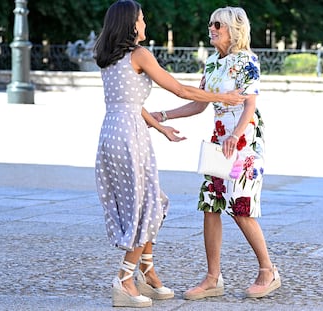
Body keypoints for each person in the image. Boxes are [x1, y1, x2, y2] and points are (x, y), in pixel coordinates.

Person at [93, 1, 247, 308]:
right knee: (147, 205)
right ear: (130, 24)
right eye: (141, 19)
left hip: (112, 132)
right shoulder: (139, 54)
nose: (145, 24)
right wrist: (223, 97)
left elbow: (130, 105)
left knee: (150, 199)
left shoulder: (108, 56)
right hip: (130, 137)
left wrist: (161, 127)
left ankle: (147, 272)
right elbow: (180, 90)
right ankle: (125, 279)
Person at [151, 6, 281, 300]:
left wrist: (236, 135)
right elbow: (199, 103)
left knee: (241, 207)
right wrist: (163, 115)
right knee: (211, 203)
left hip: (244, 140)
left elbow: (249, 104)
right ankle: (212, 279)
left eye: (218, 25)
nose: (211, 29)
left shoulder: (247, 60)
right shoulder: (211, 63)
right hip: (218, 140)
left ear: (234, 30)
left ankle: (267, 270)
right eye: (211, 24)